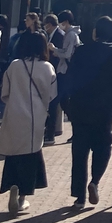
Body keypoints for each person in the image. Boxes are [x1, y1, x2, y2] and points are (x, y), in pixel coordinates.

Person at [61, 16, 112, 209]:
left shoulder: (81, 51)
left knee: (79, 151)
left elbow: (70, 78)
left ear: (95, 32)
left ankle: (79, 197)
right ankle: (95, 181)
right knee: (103, 146)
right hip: (104, 108)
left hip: (80, 106)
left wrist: (68, 104)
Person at [0, 29, 55, 216]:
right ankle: (22, 198)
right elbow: (52, 94)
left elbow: (4, 93)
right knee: (31, 155)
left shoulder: (14, 66)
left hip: (14, 115)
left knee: (13, 154)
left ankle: (12, 185)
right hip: (35, 118)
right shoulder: (47, 67)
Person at [43, 14, 65, 145]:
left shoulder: (60, 35)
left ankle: (50, 133)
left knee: (54, 103)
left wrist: (53, 50)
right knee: (52, 103)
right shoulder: (51, 35)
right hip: (52, 72)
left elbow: (61, 53)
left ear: (50, 25)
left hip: (58, 73)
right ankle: (49, 131)